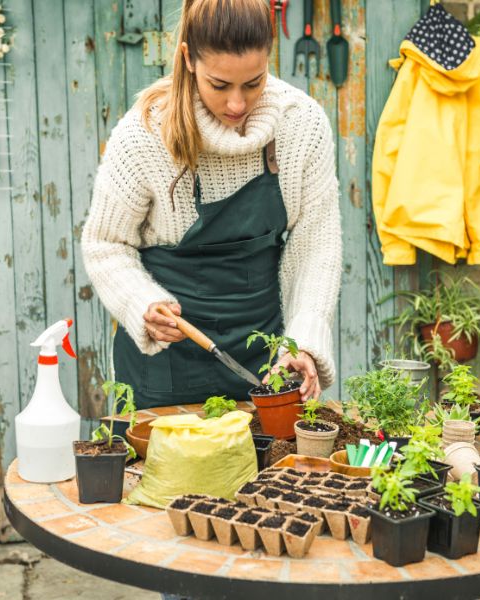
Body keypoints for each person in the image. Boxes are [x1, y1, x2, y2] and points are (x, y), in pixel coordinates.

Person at [81, 0, 341, 410]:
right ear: (188, 59)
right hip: (164, 371)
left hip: (266, 367)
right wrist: (141, 303)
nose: (237, 104)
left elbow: (316, 243)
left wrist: (302, 341)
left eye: (253, 83)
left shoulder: (301, 124)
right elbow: (105, 244)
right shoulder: (145, 133)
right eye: (219, 85)